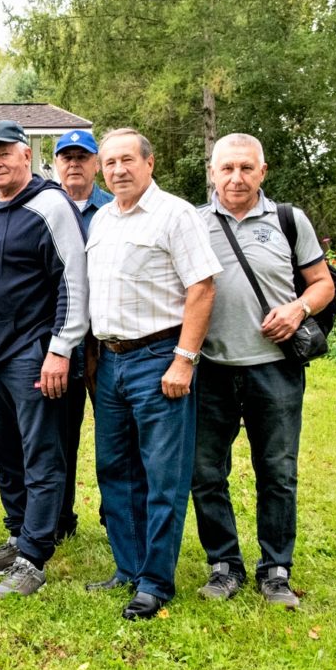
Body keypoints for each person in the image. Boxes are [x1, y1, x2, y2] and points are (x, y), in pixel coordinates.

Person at [191, 133, 335, 608]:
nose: (236, 177)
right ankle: (224, 565)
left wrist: (297, 310)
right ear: (211, 172)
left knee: (277, 471)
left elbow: (322, 284)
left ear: (262, 171)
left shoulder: (289, 221)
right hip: (209, 369)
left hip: (274, 371)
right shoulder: (191, 224)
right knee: (206, 472)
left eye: (246, 168)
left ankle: (275, 569)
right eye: (227, 168)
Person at [86, 128, 221, 620]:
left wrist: (184, 358)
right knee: (115, 471)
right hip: (111, 362)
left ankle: (156, 581)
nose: (118, 169)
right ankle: (128, 568)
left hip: (159, 358)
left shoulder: (176, 215)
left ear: (149, 163)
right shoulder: (101, 219)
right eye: (110, 162)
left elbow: (202, 288)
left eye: (127, 160)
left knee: (162, 476)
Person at [0, 120, 89, 598]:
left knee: (41, 453)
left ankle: (34, 557)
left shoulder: (49, 205)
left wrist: (60, 348)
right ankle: (18, 533)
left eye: (5, 154)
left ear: (26, 155)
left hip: (32, 352)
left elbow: (72, 280)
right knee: (5, 450)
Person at [52, 129, 113, 542]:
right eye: (66, 157)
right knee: (59, 433)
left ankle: (117, 515)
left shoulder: (114, 209)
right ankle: (59, 518)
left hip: (109, 338)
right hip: (63, 339)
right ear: (56, 163)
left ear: (96, 163)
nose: (74, 163)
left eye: (82, 157)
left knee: (115, 432)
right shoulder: (45, 206)